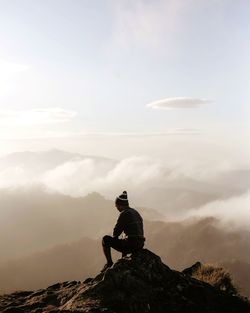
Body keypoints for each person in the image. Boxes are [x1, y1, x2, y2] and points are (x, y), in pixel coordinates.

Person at [101, 191, 145, 272]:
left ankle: (109, 263)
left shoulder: (124, 213)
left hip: (131, 244)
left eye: (116, 206)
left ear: (120, 205)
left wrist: (115, 236)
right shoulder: (135, 212)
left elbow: (116, 233)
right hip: (140, 244)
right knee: (125, 238)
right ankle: (123, 259)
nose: (116, 208)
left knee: (105, 239)